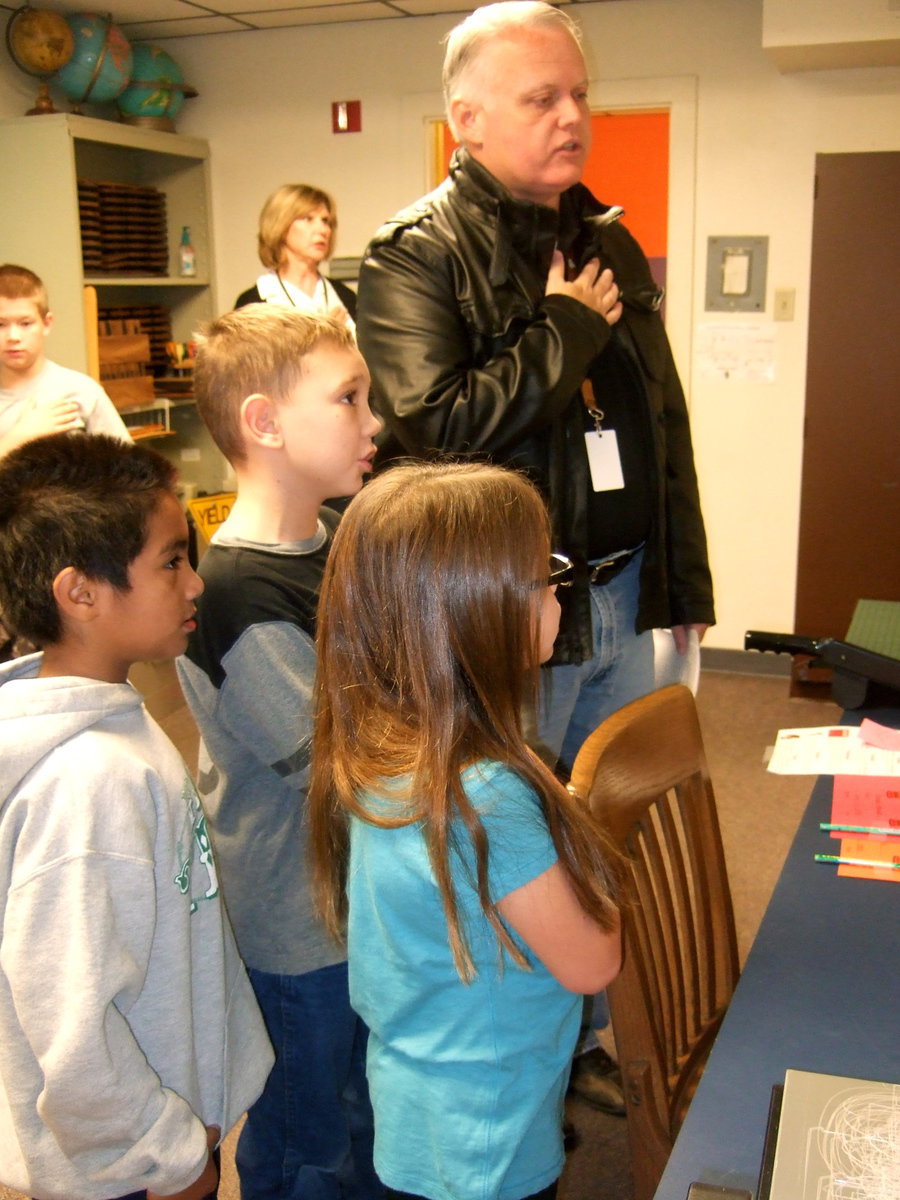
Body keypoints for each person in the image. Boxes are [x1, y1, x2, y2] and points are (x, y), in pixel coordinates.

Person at [355, 1, 715, 779]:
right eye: (541, 98)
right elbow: (440, 430)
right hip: (506, 615)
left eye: (580, 95)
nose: (572, 117)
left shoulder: (609, 238)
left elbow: (662, 415)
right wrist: (565, 331)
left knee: (609, 821)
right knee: (514, 838)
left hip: (623, 588)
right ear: (468, 119)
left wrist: (683, 581)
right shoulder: (416, 255)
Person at [309, 460, 623, 1200]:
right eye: (543, 581)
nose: (555, 598)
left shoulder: (385, 746)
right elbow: (592, 962)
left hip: (421, 1106)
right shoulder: (490, 795)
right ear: (479, 612)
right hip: (491, 1136)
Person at [0, 431, 273, 1200]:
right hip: (124, 1165)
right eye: (171, 562)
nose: (195, 585)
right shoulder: (86, 783)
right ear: (79, 592)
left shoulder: (116, 719)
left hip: (154, 1131)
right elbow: (72, 1026)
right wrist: (171, 1156)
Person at [176, 304, 383, 1200]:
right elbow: (339, 767)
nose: (374, 423)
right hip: (300, 930)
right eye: (349, 399)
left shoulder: (333, 538)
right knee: (310, 1140)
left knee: (364, 1113)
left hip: (356, 897)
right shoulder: (235, 590)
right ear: (264, 423)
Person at [0, 263, 130, 457]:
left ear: (46, 324)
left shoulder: (81, 391)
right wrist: (18, 438)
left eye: (25, 323)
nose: (13, 336)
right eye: (1, 324)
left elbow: (132, 473)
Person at [234, 184, 358, 334]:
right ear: (281, 225)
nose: (323, 230)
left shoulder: (346, 297)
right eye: (308, 219)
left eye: (325, 221)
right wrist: (324, 338)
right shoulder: (253, 303)